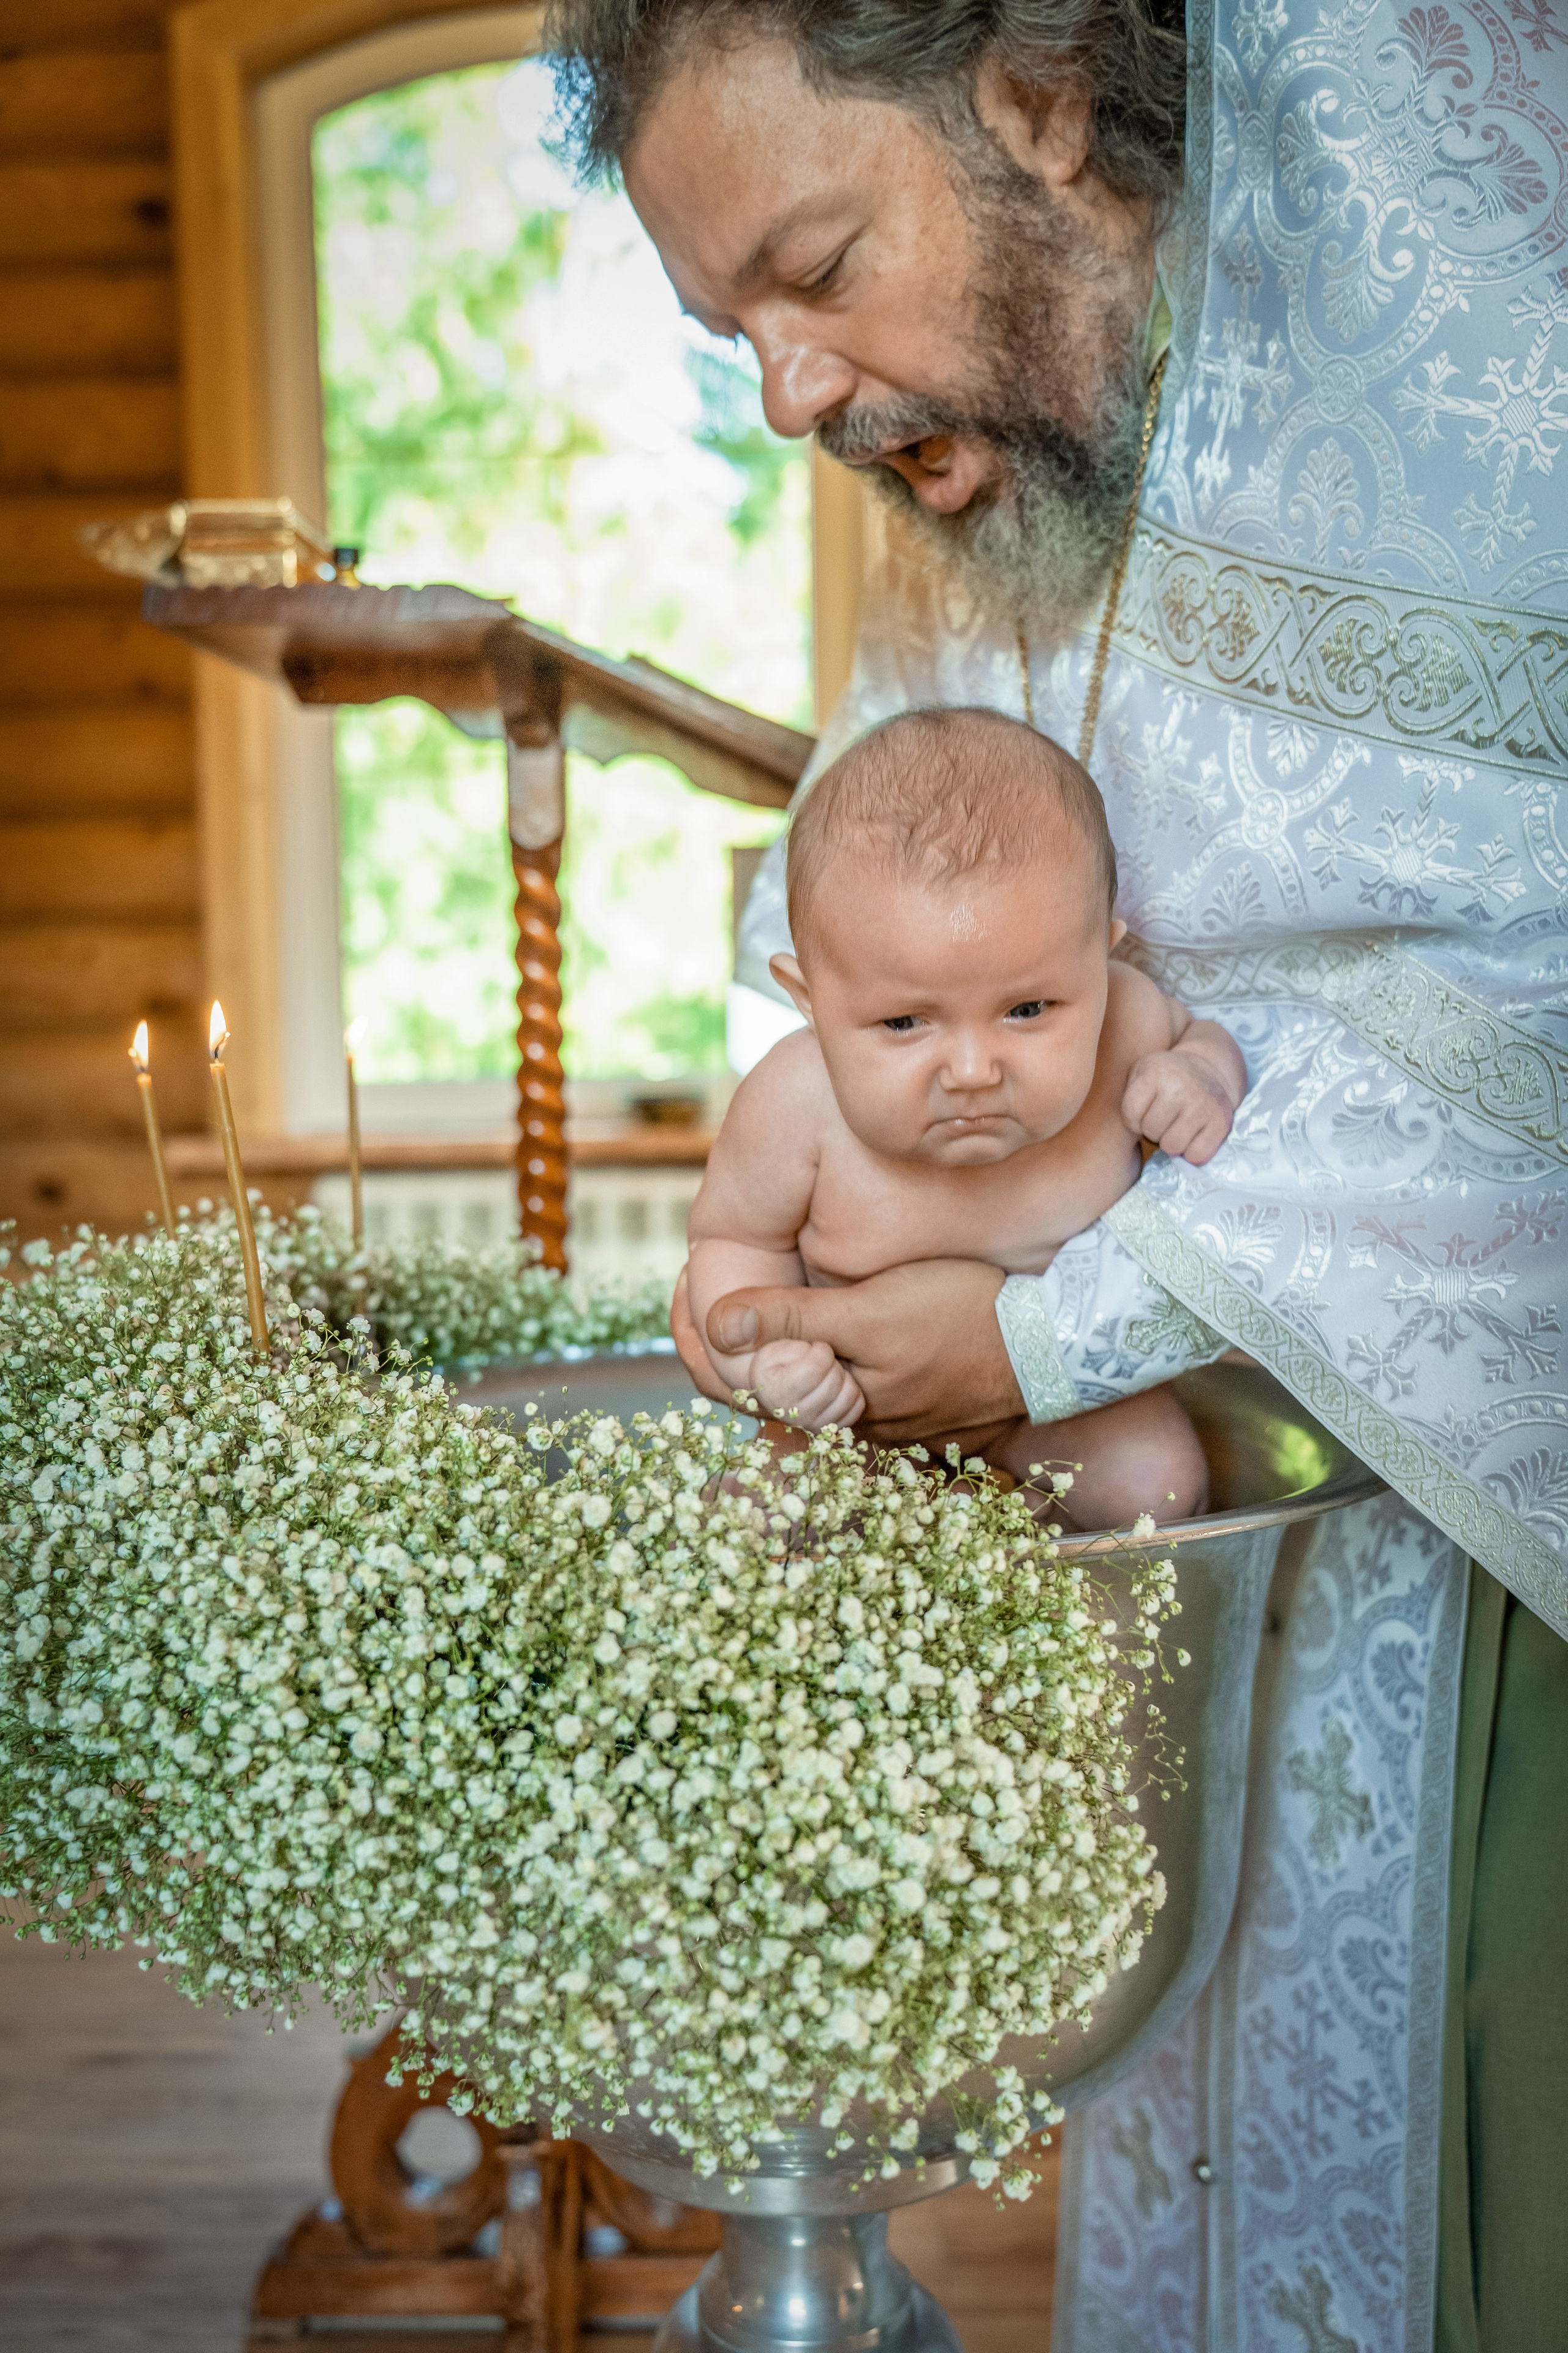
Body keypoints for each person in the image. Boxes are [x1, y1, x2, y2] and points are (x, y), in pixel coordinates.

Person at [544, 4, 1568, 2347]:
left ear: (1028, 93)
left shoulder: (1488, 330)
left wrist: (1049, 1320)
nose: (788, 393)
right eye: (736, 336)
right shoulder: (1021, 421)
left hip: (1494, 1574)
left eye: (813, 266)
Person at [689, 705, 1244, 1525]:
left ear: (1104, 958)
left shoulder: (1128, 1025)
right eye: (905, 1023)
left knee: (1153, 1482)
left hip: (1054, 1402)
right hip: (859, 1414)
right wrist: (770, 1369)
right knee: (759, 1515)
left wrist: (1201, 1074)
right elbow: (734, 1242)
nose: (976, 1070)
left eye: (1028, 1009)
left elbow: (1204, 1038)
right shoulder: (795, 1100)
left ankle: (1029, 1593)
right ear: (809, 1001)